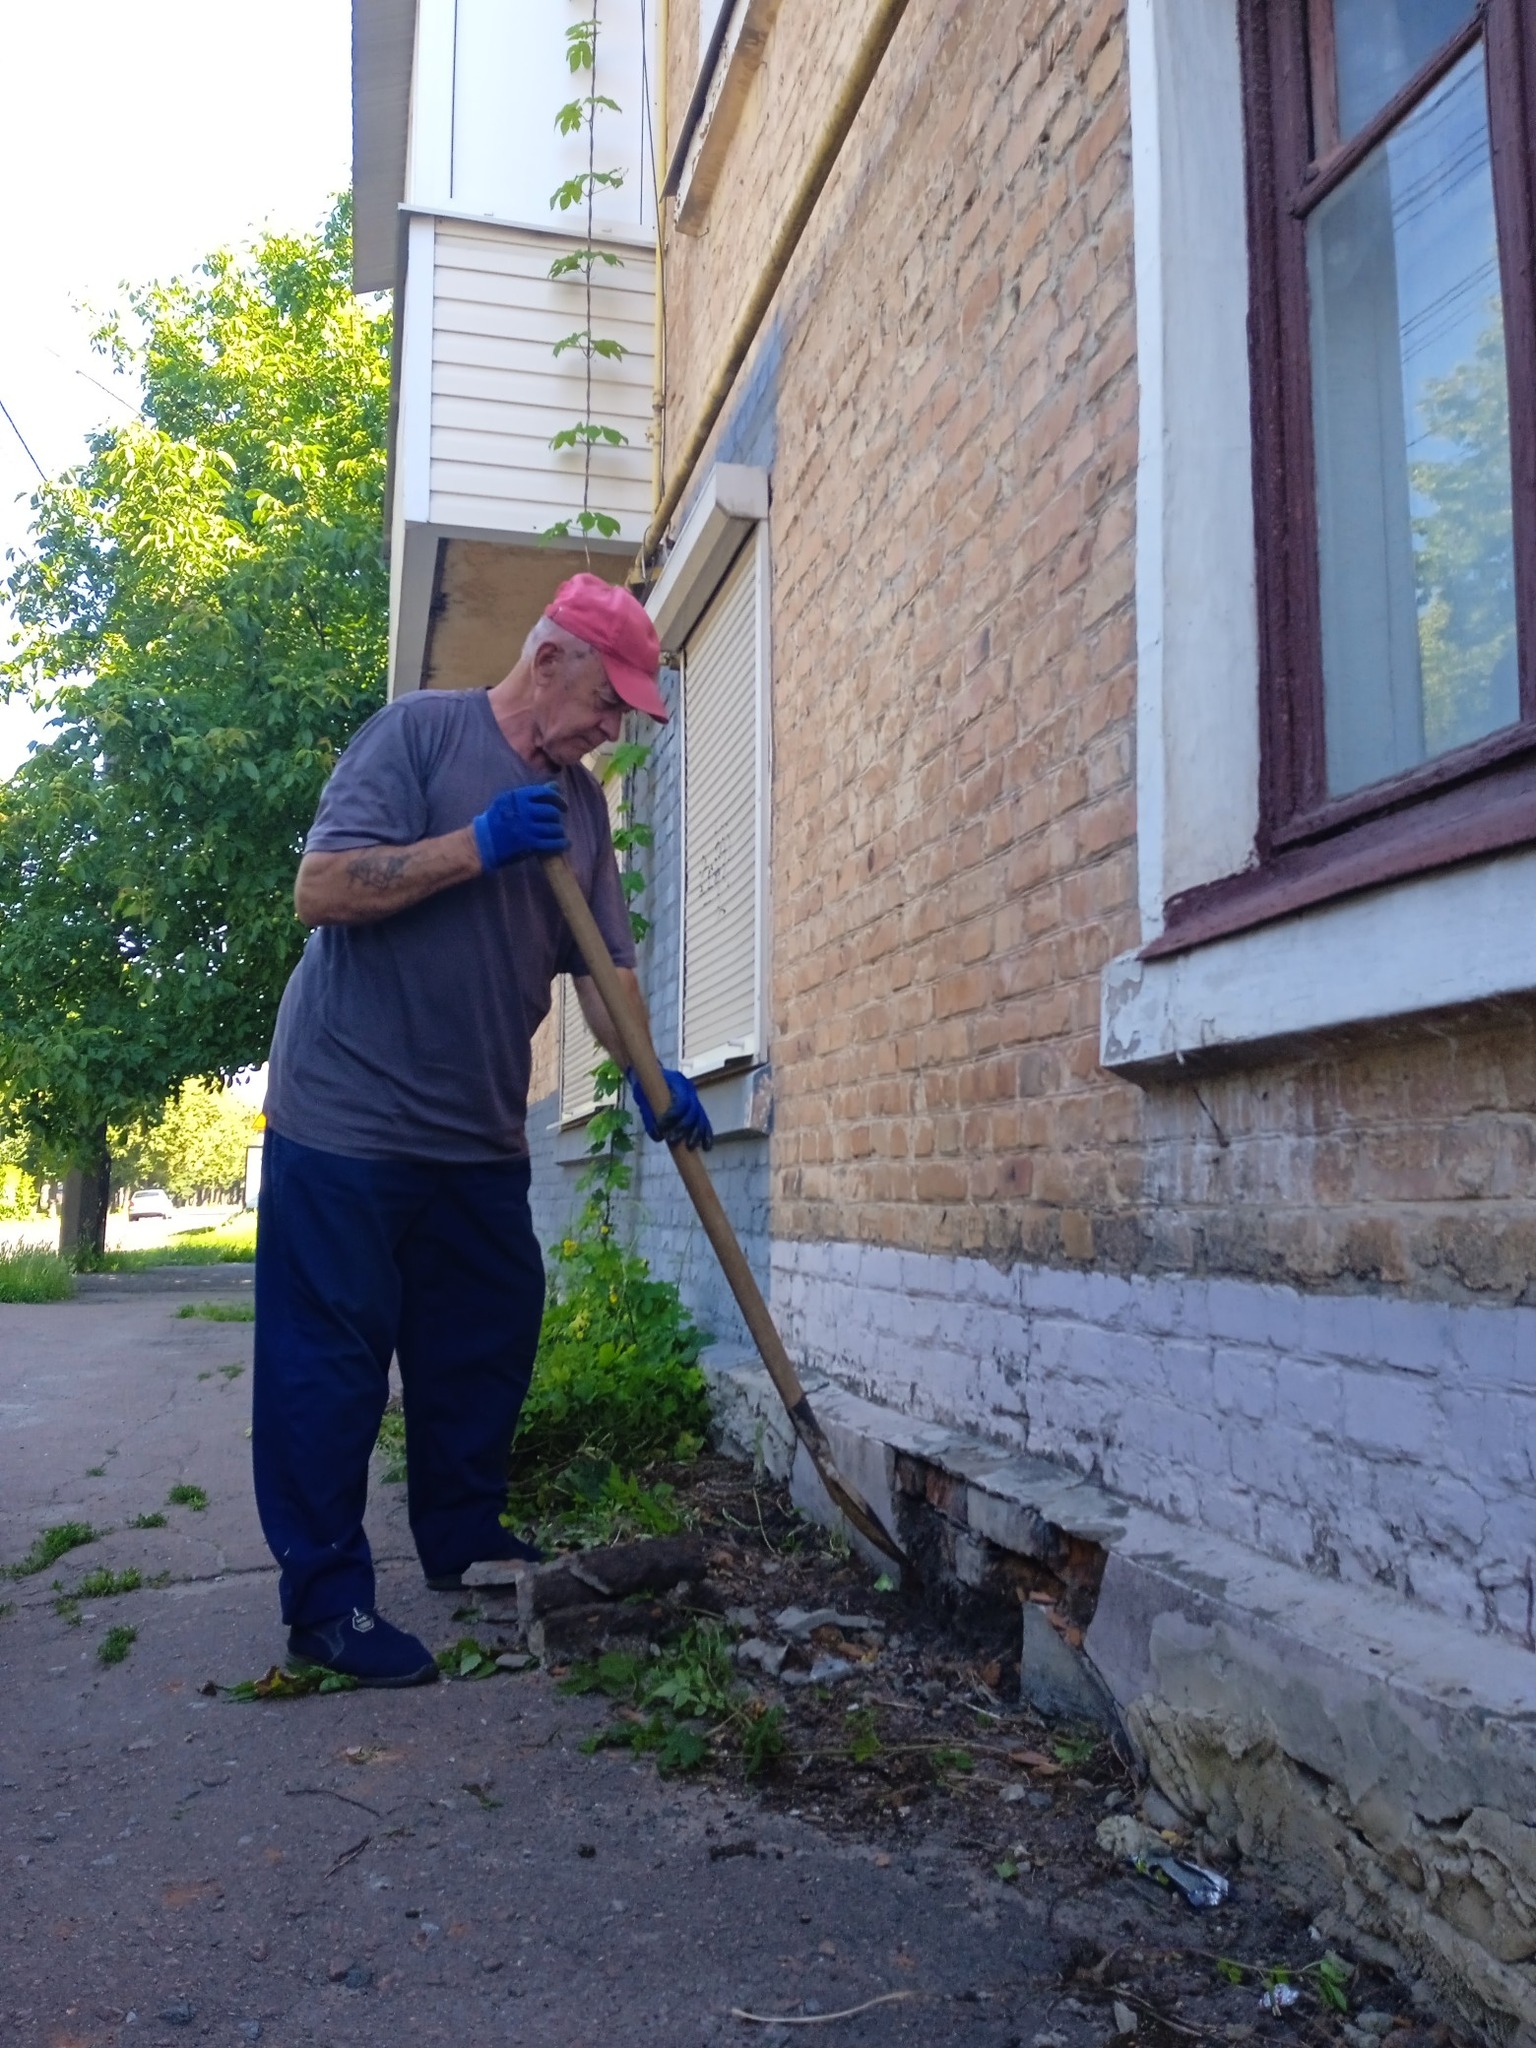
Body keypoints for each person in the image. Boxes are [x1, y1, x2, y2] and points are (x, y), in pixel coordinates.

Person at [252, 573, 712, 1687]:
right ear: (548, 659)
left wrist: (652, 1074)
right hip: (347, 1119)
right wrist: (478, 842)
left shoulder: (582, 810)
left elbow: (605, 970)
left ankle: (462, 1537)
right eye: (607, 701)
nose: (612, 729)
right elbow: (323, 887)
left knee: (485, 1338)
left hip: (475, 1131)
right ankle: (327, 1604)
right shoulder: (417, 737)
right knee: (330, 1364)